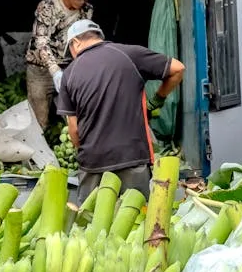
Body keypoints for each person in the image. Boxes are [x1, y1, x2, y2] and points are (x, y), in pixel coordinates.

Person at [56, 19, 185, 201]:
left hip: (92, 164)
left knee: (91, 224)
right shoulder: (129, 54)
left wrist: (88, 151)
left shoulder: (69, 73)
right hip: (131, 158)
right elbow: (178, 69)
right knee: (135, 222)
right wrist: (157, 100)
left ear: (75, 43)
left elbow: (74, 129)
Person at [25, 0, 97, 129]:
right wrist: (55, 71)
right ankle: (38, 151)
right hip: (41, 69)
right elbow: (41, 41)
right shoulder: (48, 7)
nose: (83, 0)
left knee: (77, 118)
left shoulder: (87, 10)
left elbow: (84, 40)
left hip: (70, 68)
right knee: (39, 121)